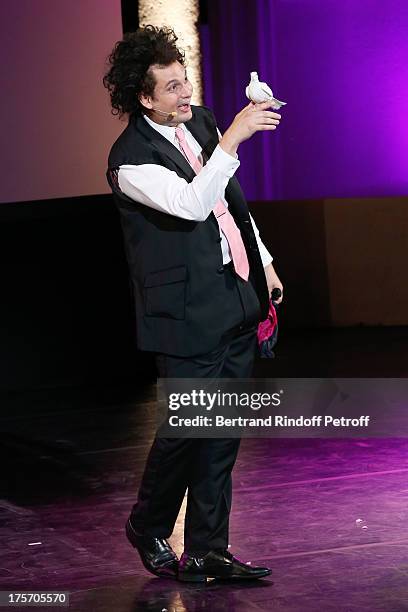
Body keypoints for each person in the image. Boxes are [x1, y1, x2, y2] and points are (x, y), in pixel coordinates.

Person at [103, 25, 283, 583]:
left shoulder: (199, 122)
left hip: (232, 294)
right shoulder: (130, 160)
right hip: (183, 314)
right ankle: (149, 521)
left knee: (221, 432)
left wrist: (266, 261)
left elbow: (230, 204)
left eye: (186, 82)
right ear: (144, 96)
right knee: (187, 430)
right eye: (173, 87)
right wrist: (231, 141)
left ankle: (207, 548)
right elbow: (189, 204)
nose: (187, 95)